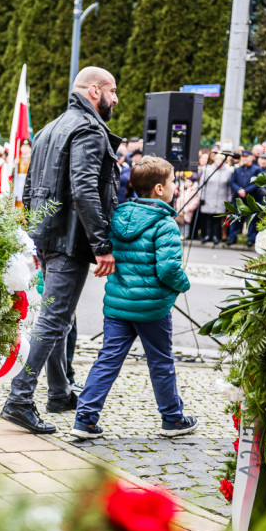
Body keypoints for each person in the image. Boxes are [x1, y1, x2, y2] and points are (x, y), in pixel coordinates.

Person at [0, 66, 120, 435]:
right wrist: (102, 245)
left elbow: (29, 188)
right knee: (54, 320)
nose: (116, 99)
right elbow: (84, 188)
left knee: (57, 318)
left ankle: (60, 392)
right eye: (113, 91)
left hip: (49, 237)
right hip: (69, 239)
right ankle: (20, 397)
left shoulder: (49, 129)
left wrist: (34, 237)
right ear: (94, 91)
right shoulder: (88, 129)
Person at [72, 156, 196, 438]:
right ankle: (173, 419)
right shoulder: (165, 224)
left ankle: (85, 419)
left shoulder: (118, 217)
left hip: (118, 306)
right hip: (152, 309)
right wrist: (183, 284)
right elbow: (168, 269)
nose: (175, 186)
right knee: (161, 362)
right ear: (159, 189)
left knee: (107, 359)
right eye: (172, 181)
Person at [198, 149, 233, 244]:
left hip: (221, 198)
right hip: (209, 197)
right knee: (208, 218)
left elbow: (229, 187)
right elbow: (202, 185)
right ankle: (207, 235)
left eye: (221, 160)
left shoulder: (228, 171)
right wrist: (201, 197)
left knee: (218, 219)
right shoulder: (208, 170)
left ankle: (216, 236)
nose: (219, 162)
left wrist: (229, 200)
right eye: (217, 160)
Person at [229, 151, 262, 246]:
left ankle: (251, 239)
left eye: (246, 157)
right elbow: (232, 182)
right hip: (239, 199)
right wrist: (239, 190)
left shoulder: (256, 169)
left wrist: (246, 191)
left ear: (252, 157)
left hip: (251, 199)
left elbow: (257, 183)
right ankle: (232, 237)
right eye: (243, 157)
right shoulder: (237, 169)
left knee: (251, 220)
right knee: (235, 219)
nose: (244, 159)